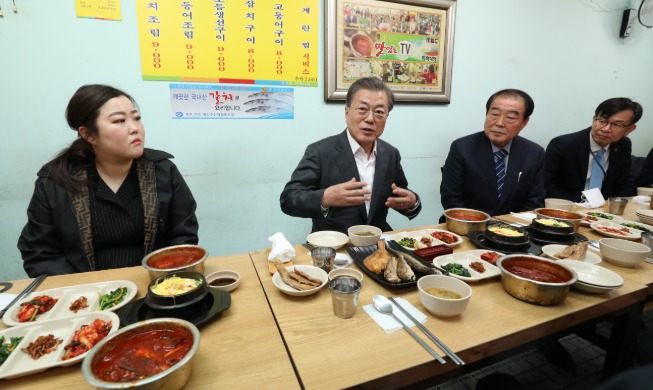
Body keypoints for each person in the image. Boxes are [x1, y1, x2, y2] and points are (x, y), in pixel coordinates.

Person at [18, 84, 199, 277]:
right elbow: (40, 253)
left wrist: (164, 278)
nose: (134, 128)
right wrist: (84, 291)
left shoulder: (162, 171)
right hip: (86, 295)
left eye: (136, 118)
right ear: (88, 134)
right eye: (120, 120)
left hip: (155, 283)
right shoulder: (55, 182)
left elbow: (184, 237)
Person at [280, 77, 421, 233]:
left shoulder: (390, 153)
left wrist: (412, 202)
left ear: (386, 118)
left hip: (377, 244)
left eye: (379, 112)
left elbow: (399, 195)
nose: (369, 119)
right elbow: (288, 199)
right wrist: (325, 198)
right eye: (362, 109)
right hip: (335, 246)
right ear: (347, 113)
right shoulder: (320, 151)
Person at [440, 89, 545, 217]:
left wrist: (509, 230)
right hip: (467, 225)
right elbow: (452, 199)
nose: (499, 123)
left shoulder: (534, 153)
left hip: (515, 229)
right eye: (494, 114)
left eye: (510, 117)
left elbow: (534, 201)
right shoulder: (462, 148)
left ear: (524, 122)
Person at [545, 97, 642, 201]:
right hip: (568, 206)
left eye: (616, 124)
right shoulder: (562, 145)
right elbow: (547, 185)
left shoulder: (623, 145)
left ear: (629, 129)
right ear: (594, 119)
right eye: (602, 121)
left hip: (603, 210)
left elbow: (624, 183)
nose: (606, 129)